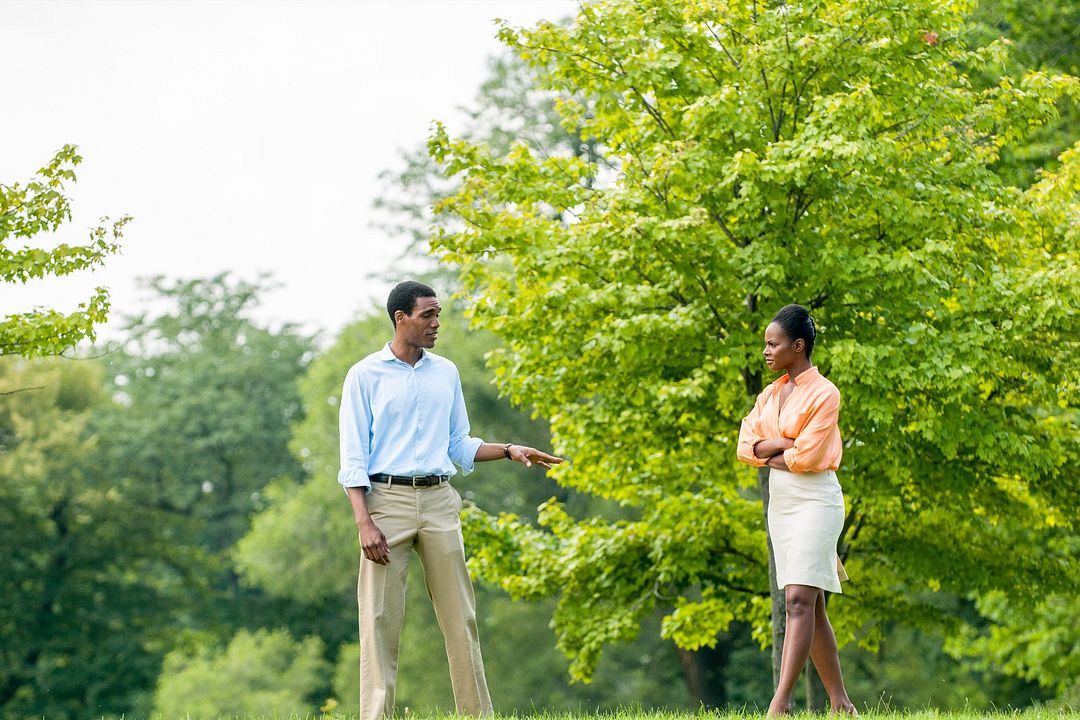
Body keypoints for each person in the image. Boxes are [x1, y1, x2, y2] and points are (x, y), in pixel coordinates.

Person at [338, 280, 563, 720]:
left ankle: (477, 715)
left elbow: (459, 443)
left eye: (438, 314)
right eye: (427, 315)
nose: (436, 323)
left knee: (461, 618)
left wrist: (509, 449)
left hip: (440, 500)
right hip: (385, 503)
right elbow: (353, 458)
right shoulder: (364, 375)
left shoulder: (446, 372)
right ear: (401, 319)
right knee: (380, 622)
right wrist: (364, 522)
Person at [736, 304, 857, 716]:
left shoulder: (825, 393)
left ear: (798, 346)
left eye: (773, 344)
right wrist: (785, 446)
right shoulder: (769, 393)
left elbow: (808, 458)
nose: (766, 352)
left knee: (798, 600)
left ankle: (780, 703)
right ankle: (841, 704)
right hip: (782, 503)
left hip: (816, 500)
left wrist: (772, 447)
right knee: (812, 603)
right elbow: (744, 446)